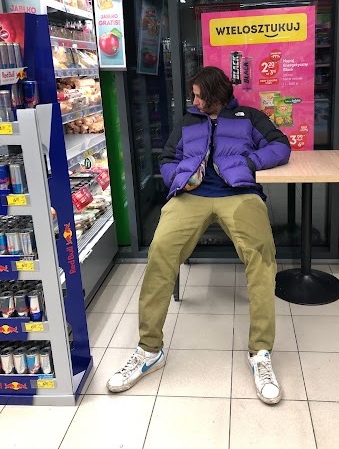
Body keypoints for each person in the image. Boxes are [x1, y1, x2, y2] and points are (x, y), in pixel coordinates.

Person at [107, 66, 291, 404]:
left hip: (239, 195)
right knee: (160, 253)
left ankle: (260, 353)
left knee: (262, 257)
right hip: (190, 197)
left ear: (216, 95)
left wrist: (250, 164)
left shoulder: (248, 117)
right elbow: (167, 158)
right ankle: (149, 350)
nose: (194, 101)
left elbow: (281, 146)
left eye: (198, 95)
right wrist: (180, 176)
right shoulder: (188, 122)